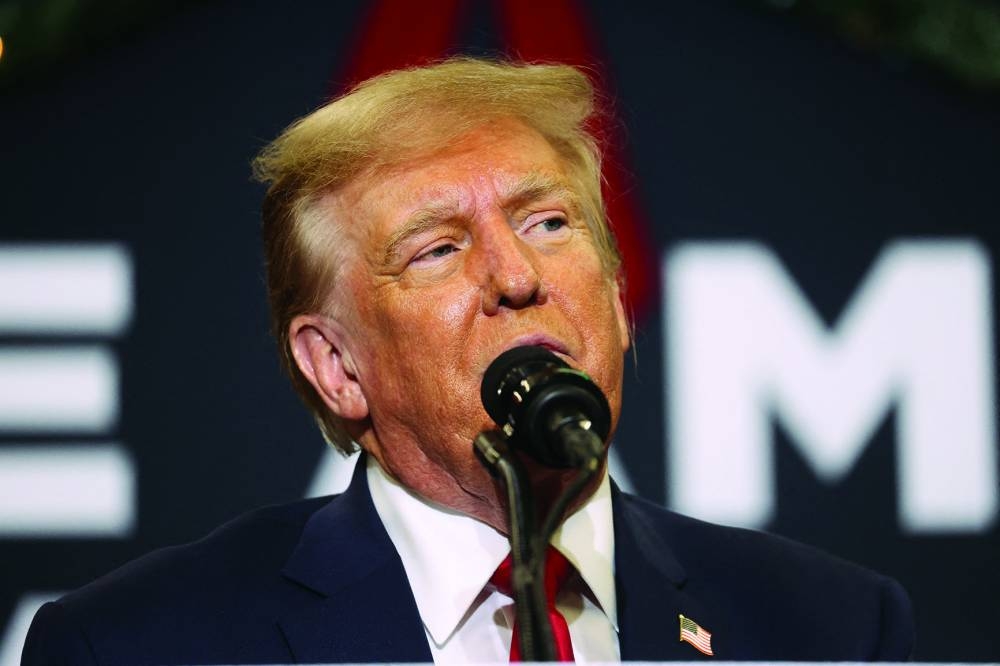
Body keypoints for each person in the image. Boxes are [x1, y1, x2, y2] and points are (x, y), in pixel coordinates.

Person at [22, 58, 914, 664]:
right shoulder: (138, 645)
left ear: (612, 292)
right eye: (438, 250)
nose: (518, 277)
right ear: (336, 366)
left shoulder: (835, 626)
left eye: (548, 223)